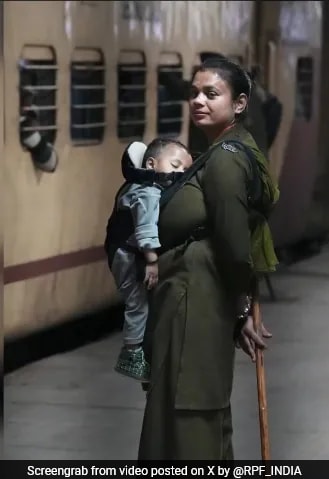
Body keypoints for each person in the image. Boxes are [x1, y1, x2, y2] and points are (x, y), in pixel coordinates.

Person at [138, 57, 279, 459]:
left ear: (239, 103)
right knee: (197, 404)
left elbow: (235, 241)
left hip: (195, 301)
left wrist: (241, 308)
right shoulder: (220, 150)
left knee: (190, 406)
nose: (198, 100)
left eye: (211, 94)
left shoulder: (225, 159)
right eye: (194, 93)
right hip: (195, 297)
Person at [106, 138, 192, 382]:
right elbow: (145, 230)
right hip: (128, 255)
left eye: (184, 170)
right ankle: (132, 354)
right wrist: (152, 261)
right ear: (151, 163)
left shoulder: (134, 184)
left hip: (121, 251)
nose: (179, 173)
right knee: (138, 303)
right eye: (175, 164)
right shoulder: (149, 192)